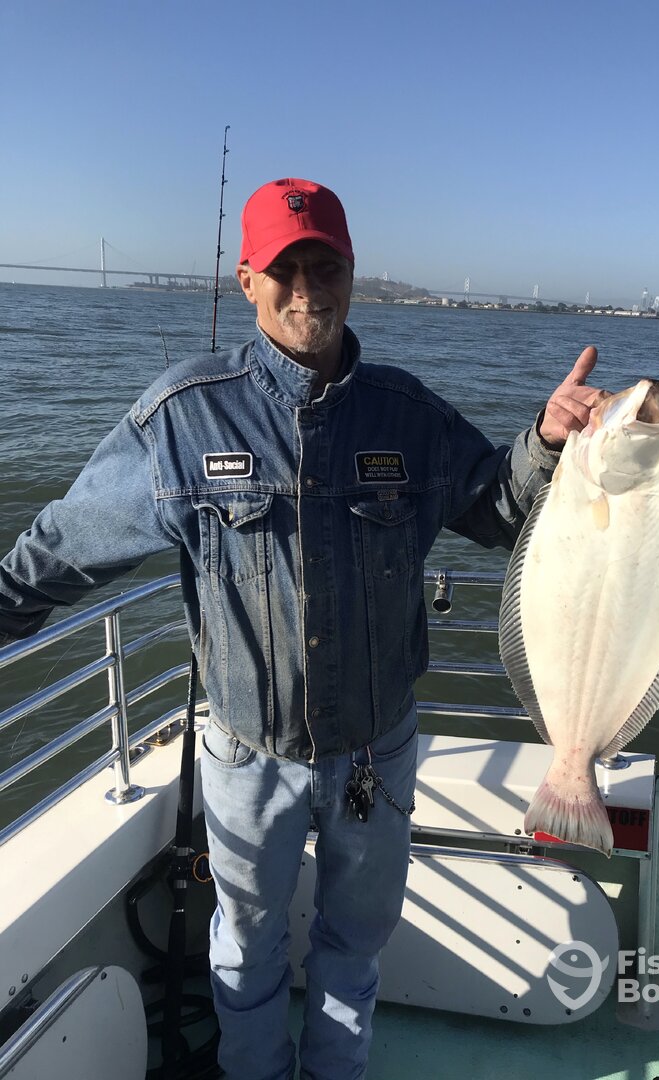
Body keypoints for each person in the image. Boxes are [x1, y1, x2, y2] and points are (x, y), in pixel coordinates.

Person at [0, 178, 603, 1079]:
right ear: (246, 279)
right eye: (285, 269)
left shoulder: (410, 414)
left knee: (356, 940)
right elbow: (66, 546)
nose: (307, 287)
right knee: (245, 944)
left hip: (377, 752)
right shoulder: (182, 415)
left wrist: (547, 441)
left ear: (352, 274)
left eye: (326, 266)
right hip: (248, 758)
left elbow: (497, 509)